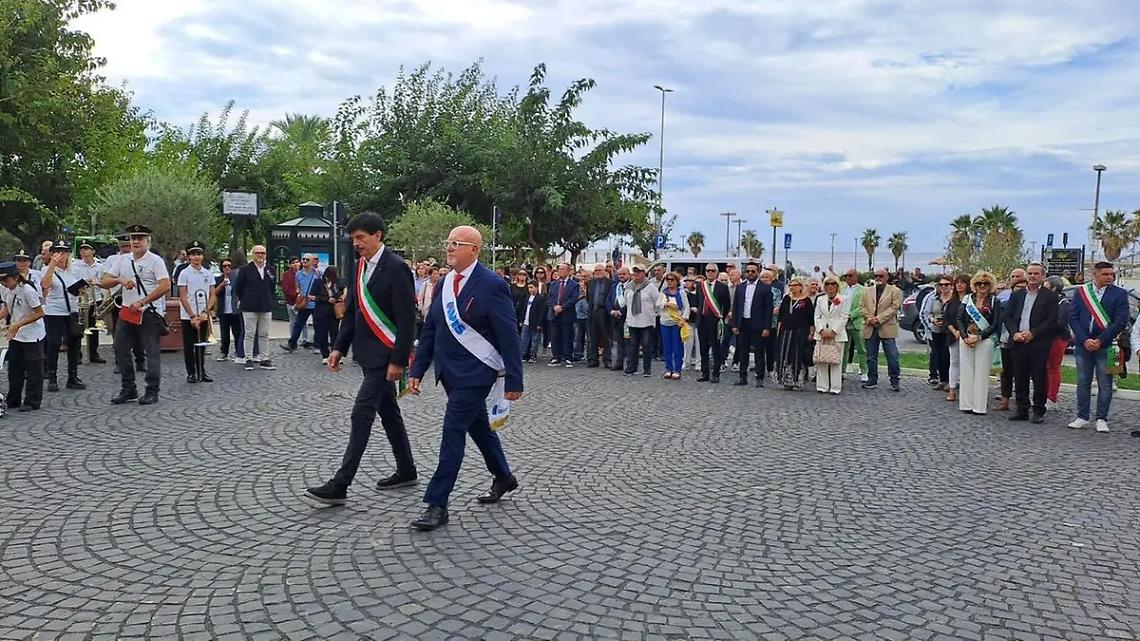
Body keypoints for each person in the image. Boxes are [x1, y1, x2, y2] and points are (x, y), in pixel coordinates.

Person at [407, 225, 522, 531]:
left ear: (474, 250)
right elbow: (431, 329)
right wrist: (417, 369)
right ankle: (504, 476)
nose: (449, 248)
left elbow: (508, 334)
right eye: (448, 242)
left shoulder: (493, 284)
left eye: (456, 243)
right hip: (448, 372)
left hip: (476, 374)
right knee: (479, 427)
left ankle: (437, 503)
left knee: (453, 431)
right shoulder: (445, 283)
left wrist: (514, 380)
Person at [306, 212, 419, 506]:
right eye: (353, 238)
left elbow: (407, 319)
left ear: (377, 235)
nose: (356, 243)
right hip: (366, 355)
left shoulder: (397, 268)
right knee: (389, 414)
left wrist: (399, 360)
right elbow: (353, 312)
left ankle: (341, 483)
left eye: (361, 237)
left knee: (361, 413)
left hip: (386, 356)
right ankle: (407, 469)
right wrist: (338, 348)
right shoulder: (359, 266)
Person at [102, 225, 170, 405]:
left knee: (151, 351)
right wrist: (119, 280)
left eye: (140, 238)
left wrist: (143, 301)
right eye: (133, 238)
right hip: (127, 311)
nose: (136, 242)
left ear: (148, 241)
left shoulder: (155, 261)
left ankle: (152, 390)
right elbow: (104, 281)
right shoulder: (123, 259)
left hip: (148, 312)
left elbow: (165, 285)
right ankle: (129, 388)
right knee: (119, 348)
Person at [1067, 261, 1130, 433]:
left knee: (1105, 383)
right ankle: (1082, 416)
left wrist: (1100, 340)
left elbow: (1120, 321)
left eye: (1112, 274)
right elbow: (1073, 317)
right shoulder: (1082, 292)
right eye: (1105, 274)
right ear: (1095, 275)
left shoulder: (1120, 294)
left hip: (1106, 345)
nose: (1110, 277)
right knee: (1083, 381)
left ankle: (1102, 418)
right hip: (1083, 345)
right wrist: (1084, 339)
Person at [1003, 263, 1059, 424]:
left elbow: (1051, 320)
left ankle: (1038, 410)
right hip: (1018, 341)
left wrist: (1033, 333)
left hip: (1038, 343)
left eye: (1036, 273)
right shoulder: (1017, 295)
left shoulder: (1050, 296)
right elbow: (1008, 316)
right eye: (1030, 273)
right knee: (1020, 377)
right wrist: (1014, 333)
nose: (1032, 276)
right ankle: (1022, 409)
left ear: (1043, 276)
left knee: (1039, 378)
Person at [40, 240, 87, 392]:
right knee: (53, 344)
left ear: (68, 254)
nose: (60, 256)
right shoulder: (46, 269)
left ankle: (72, 377)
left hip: (72, 311)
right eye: (57, 252)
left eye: (64, 252)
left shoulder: (73, 270)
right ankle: (52, 377)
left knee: (74, 342)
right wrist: (52, 265)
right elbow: (45, 285)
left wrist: (83, 288)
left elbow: (76, 288)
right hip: (54, 311)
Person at [0, 261, 46, 411]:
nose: (4, 283)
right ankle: (14, 398)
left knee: (33, 370)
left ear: (15, 277)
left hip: (32, 335)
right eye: (1, 280)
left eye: (6, 280)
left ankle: (32, 401)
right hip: (16, 334)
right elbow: (7, 307)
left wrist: (17, 324)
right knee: (14, 368)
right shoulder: (5, 289)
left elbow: (39, 313)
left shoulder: (27, 290)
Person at [957, 271, 1001, 415]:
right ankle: (966, 404)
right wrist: (965, 337)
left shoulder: (994, 301)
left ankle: (979, 407)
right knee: (966, 372)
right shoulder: (967, 299)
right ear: (974, 285)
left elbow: (995, 324)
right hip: (967, 338)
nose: (982, 286)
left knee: (982, 374)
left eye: (985, 283)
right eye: (979, 283)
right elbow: (959, 319)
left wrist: (980, 337)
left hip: (985, 340)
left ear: (990, 285)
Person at [177, 241, 217, 384]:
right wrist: (192, 315)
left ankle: (201, 371)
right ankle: (191, 373)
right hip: (188, 315)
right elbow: (183, 296)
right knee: (189, 346)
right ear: (189, 257)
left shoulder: (208, 273)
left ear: (202, 256)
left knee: (202, 345)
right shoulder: (184, 273)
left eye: (199, 254)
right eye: (193, 254)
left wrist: (206, 311)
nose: (196, 257)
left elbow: (212, 295)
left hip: (203, 314)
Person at [232, 244, 277, 372]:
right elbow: (238, 288)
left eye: (263, 253)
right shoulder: (245, 270)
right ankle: (248, 359)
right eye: (258, 253)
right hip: (249, 306)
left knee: (264, 334)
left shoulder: (270, 270)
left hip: (265, 306)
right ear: (253, 255)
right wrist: (245, 299)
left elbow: (272, 286)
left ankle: (264, 358)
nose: (260, 255)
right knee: (250, 334)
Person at [731, 263, 774, 387]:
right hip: (743, 323)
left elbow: (768, 310)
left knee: (759, 352)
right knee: (742, 352)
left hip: (758, 324)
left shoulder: (765, 288)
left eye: (753, 271)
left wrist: (766, 327)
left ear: (758, 272)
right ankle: (742, 377)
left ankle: (759, 378)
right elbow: (736, 307)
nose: (750, 273)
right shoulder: (740, 287)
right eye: (748, 271)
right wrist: (735, 324)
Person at [860, 268, 903, 391]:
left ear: (887, 277)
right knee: (871, 357)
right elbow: (861, 307)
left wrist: (878, 319)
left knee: (892, 356)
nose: (878, 278)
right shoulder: (866, 291)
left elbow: (894, 308)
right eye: (876, 276)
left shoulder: (895, 291)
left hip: (887, 327)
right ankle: (872, 379)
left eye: (881, 276)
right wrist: (870, 318)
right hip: (870, 327)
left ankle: (894, 380)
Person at [775, 278, 815, 390]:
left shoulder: (806, 301)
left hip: (800, 332)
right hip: (786, 331)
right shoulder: (786, 299)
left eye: (794, 285)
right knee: (785, 354)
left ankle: (797, 380)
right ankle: (786, 380)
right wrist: (779, 330)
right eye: (790, 285)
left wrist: (811, 332)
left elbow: (810, 318)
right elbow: (781, 316)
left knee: (797, 355)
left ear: (801, 286)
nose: (792, 287)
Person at [71, 240, 107, 364]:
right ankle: (77, 355)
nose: (84, 252)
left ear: (93, 251)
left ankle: (93, 353)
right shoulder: (75, 265)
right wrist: (84, 282)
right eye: (82, 249)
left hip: (95, 298)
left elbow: (104, 281)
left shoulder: (100, 266)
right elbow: (72, 282)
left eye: (87, 249)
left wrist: (97, 283)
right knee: (79, 328)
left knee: (94, 328)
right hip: (81, 299)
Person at [624, 265, 662, 377]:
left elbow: (657, 302)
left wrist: (654, 314)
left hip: (646, 321)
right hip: (633, 320)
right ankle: (632, 367)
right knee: (633, 345)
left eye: (639, 272)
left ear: (644, 273)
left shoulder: (650, 287)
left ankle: (647, 369)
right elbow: (626, 302)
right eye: (635, 272)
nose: (636, 274)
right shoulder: (628, 286)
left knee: (646, 345)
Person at [813, 276, 848, 394]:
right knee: (821, 360)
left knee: (836, 361)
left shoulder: (844, 299)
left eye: (833, 284)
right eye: (827, 284)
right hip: (821, 333)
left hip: (837, 334)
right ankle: (822, 386)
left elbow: (844, 317)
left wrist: (833, 331)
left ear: (837, 286)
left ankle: (835, 387)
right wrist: (821, 330)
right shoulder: (820, 299)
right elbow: (817, 316)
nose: (830, 286)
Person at [696, 263, 730, 383]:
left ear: (716, 272)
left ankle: (716, 374)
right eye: (708, 270)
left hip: (715, 321)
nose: (710, 273)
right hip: (702, 321)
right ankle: (705, 373)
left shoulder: (722, 287)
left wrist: (721, 317)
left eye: (712, 271)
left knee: (716, 348)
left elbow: (727, 305)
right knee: (703, 349)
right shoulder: (700, 286)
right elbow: (698, 302)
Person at [921, 275, 956, 391]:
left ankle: (951, 381)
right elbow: (928, 313)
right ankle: (942, 380)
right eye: (941, 285)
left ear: (951, 286)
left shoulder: (955, 299)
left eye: (946, 284)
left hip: (950, 331)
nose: (944, 287)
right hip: (936, 331)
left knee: (948, 356)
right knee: (939, 356)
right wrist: (932, 321)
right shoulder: (934, 298)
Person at [1043, 277, 1070, 407]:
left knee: (1053, 367)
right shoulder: (1046, 301)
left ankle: (1052, 397)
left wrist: (1043, 327)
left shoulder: (1064, 303)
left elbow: (1060, 323)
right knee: (1044, 367)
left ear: (1054, 288)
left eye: (1046, 287)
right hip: (1044, 338)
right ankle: (1044, 394)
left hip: (1057, 338)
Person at [658, 272, 690, 380]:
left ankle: (677, 369)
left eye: (672, 279)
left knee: (677, 347)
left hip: (677, 323)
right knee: (667, 347)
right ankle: (668, 369)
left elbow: (686, 307)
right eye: (668, 279)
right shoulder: (663, 293)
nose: (670, 282)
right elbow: (658, 305)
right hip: (665, 322)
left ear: (677, 281)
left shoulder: (681, 293)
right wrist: (666, 304)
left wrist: (684, 319)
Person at [547, 262, 579, 367]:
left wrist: (562, 307)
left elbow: (573, 299)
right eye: (559, 269)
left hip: (567, 314)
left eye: (562, 269)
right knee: (555, 336)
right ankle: (556, 357)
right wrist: (554, 306)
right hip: (554, 314)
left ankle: (568, 357)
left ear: (568, 271)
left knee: (567, 336)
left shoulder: (574, 285)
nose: (559, 271)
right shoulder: (553, 284)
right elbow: (550, 298)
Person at [213, 259, 245, 363]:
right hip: (223, 309)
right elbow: (214, 293)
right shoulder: (218, 279)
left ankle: (238, 352)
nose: (227, 268)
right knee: (224, 333)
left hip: (235, 310)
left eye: (229, 266)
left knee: (237, 332)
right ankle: (224, 352)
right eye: (224, 266)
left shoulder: (237, 278)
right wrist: (222, 284)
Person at [943, 274, 969, 402]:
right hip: (953, 336)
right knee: (954, 362)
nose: (959, 285)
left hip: (968, 335)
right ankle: (952, 389)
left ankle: (966, 390)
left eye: (962, 282)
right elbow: (946, 320)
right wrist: (954, 331)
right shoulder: (952, 302)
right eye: (957, 282)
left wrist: (963, 332)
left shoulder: (971, 300)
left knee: (966, 363)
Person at [286, 254, 319, 352]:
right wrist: (299, 295)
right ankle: (292, 344)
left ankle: (317, 346)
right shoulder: (298, 274)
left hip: (316, 303)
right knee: (298, 324)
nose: (304, 261)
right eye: (303, 259)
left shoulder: (318, 273)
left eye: (307, 259)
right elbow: (298, 286)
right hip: (304, 303)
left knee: (318, 325)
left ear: (312, 261)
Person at [311, 265, 344, 362]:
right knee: (322, 334)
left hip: (334, 312)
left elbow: (343, 289)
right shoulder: (318, 282)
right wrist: (326, 299)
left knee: (335, 334)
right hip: (321, 311)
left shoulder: (336, 282)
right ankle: (325, 355)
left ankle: (335, 355)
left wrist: (342, 296)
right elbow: (311, 296)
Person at [840, 269, 866, 380]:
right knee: (843, 349)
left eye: (850, 275)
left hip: (857, 322)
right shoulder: (842, 289)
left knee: (861, 349)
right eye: (846, 276)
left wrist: (851, 315)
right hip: (843, 323)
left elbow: (864, 306)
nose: (848, 278)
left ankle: (864, 371)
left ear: (856, 276)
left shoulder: (863, 290)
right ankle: (842, 371)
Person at [585, 263, 613, 369]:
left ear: (604, 271)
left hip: (604, 312)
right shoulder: (591, 283)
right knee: (593, 337)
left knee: (606, 337)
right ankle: (593, 359)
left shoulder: (610, 282)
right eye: (596, 270)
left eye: (599, 270)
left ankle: (607, 359)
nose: (597, 272)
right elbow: (588, 298)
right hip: (593, 311)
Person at [608, 266, 630, 371]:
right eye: (619, 274)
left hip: (627, 318)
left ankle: (629, 364)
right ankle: (619, 363)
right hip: (615, 318)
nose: (621, 276)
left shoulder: (631, 286)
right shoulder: (614, 287)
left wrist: (621, 312)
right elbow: (608, 300)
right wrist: (612, 311)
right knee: (619, 342)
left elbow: (630, 303)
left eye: (623, 274)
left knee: (629, 342)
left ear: (629, 274)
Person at [518, 280, 545, 363]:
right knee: (524, 339)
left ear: (536, 287)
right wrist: (522, 320)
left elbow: (542, 312)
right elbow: (524, 309)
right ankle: (523, 355)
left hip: (535, 322)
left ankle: (533, 355)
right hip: (526, 321)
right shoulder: (527, 297)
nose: (530, 289)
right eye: (528, 288)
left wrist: (540, 323)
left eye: (531, 287)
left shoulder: (540, 298)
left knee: (535, 340)